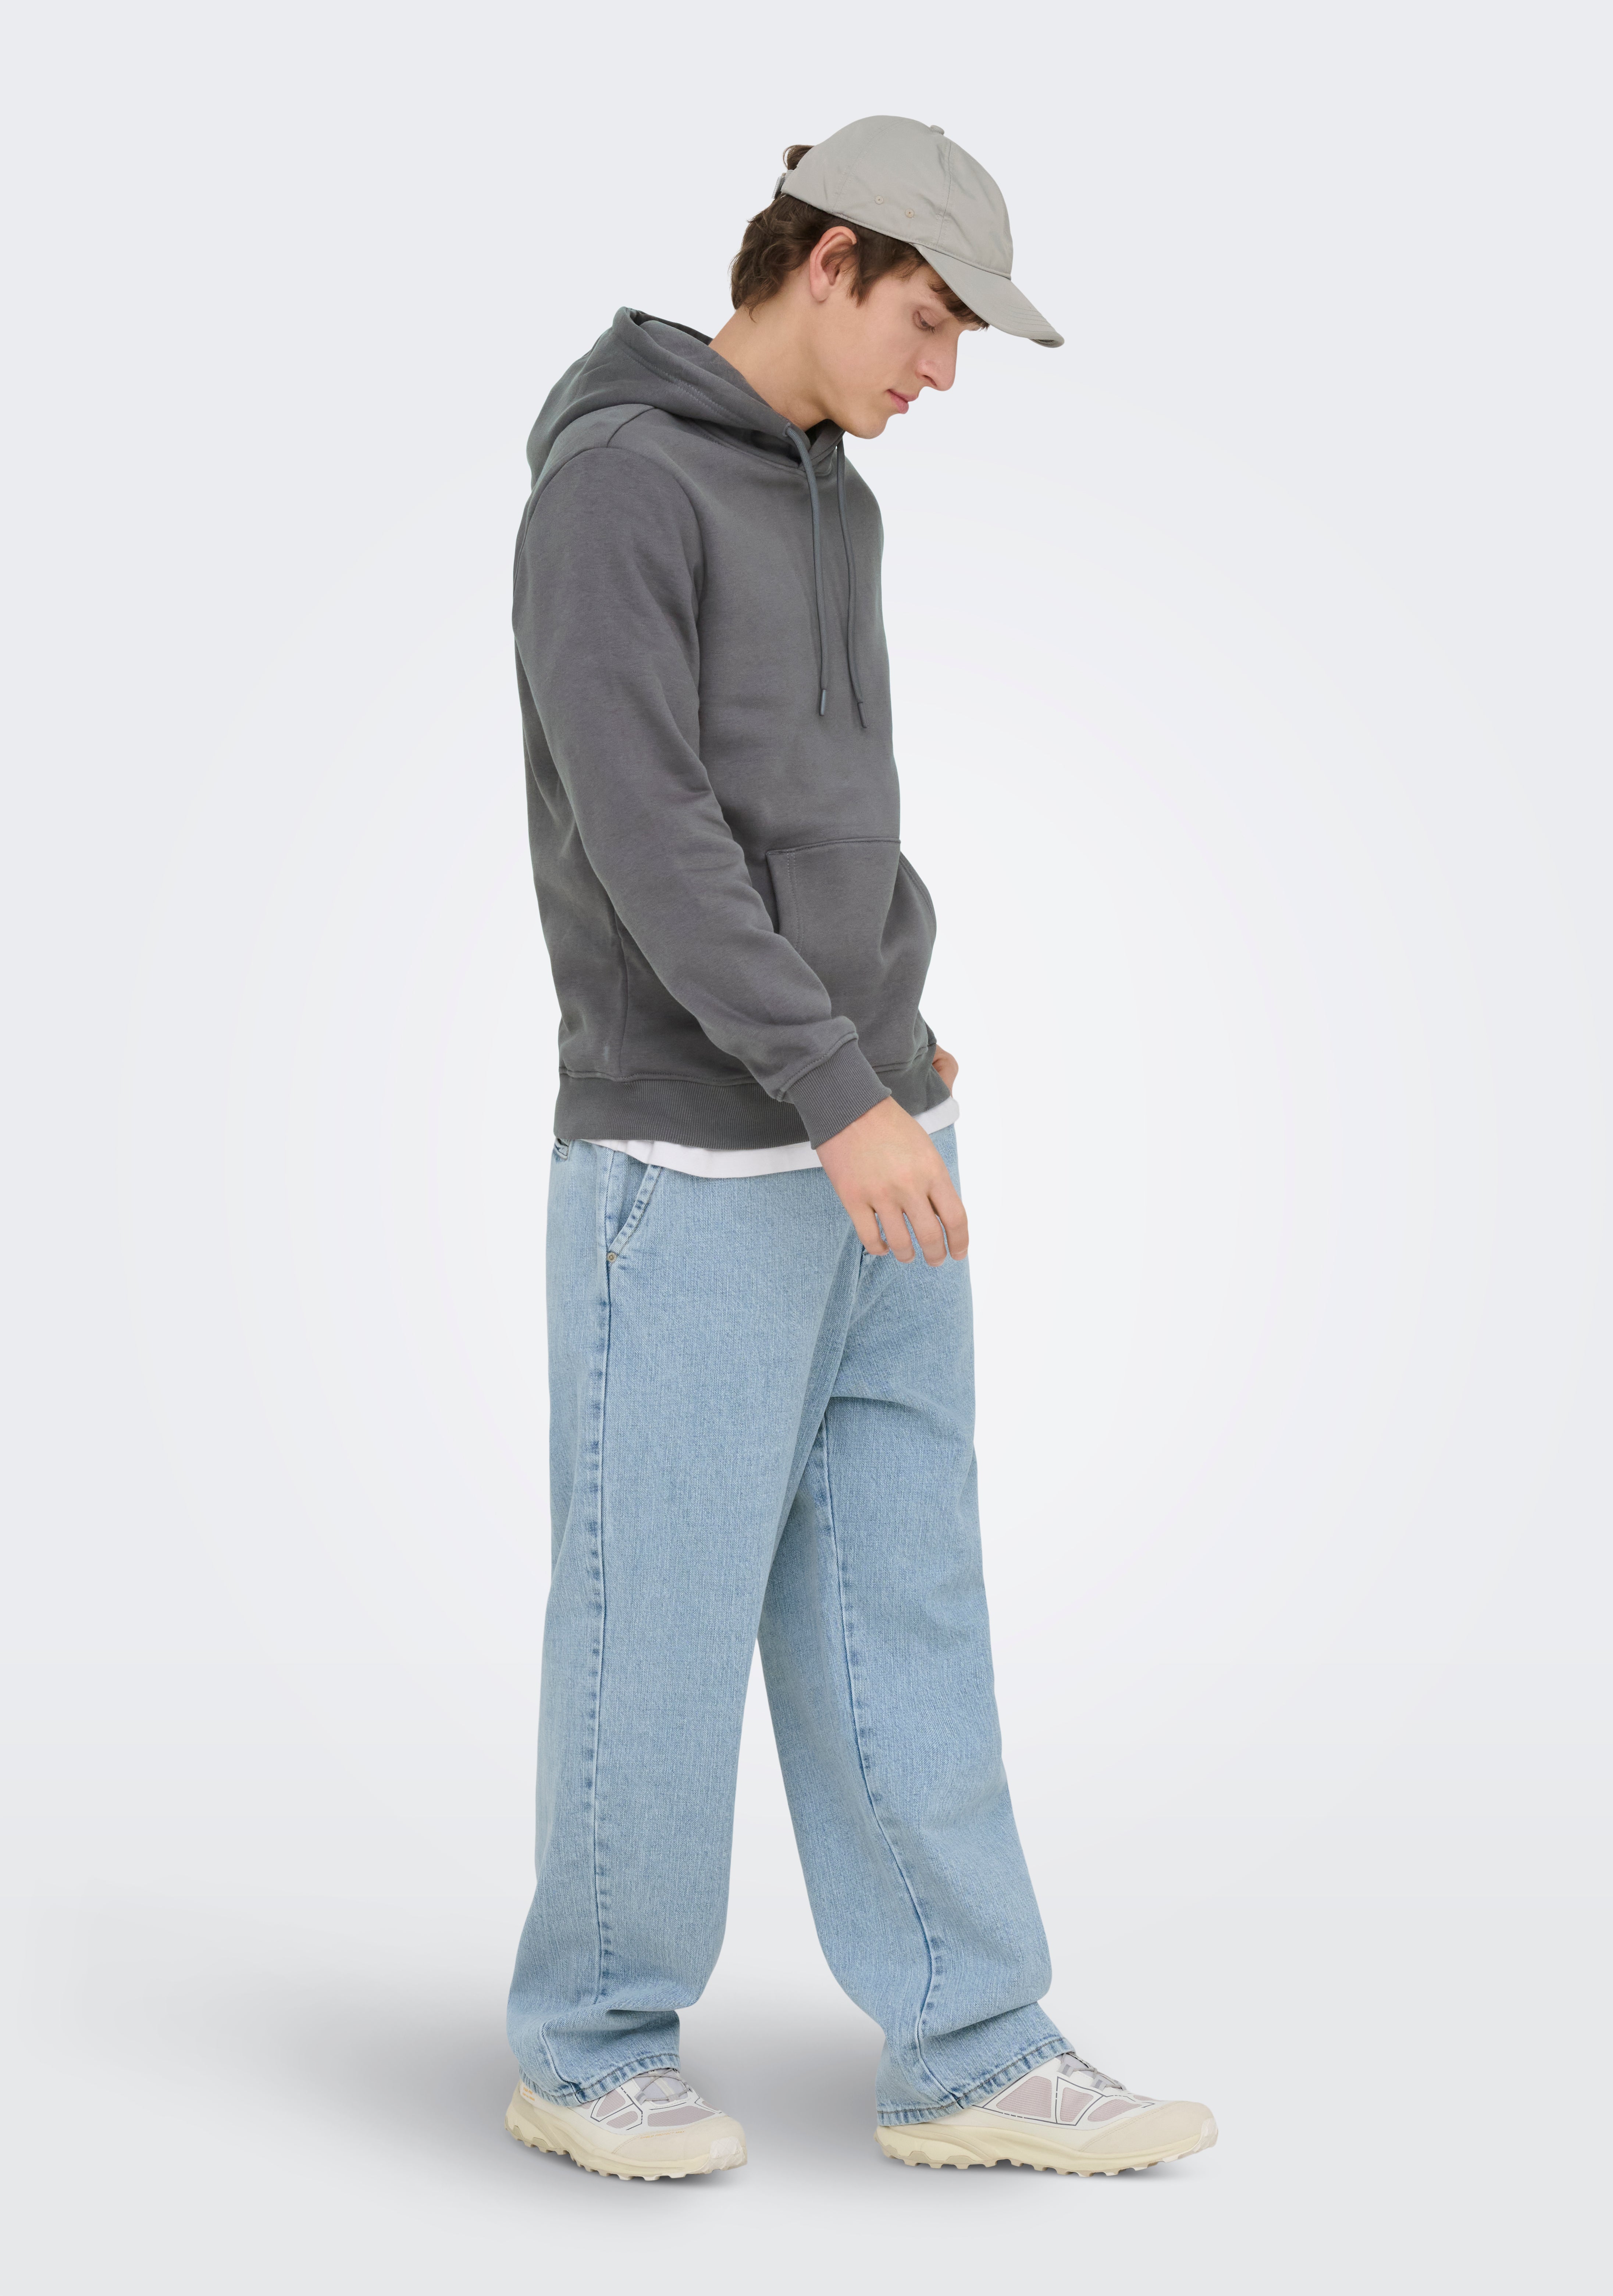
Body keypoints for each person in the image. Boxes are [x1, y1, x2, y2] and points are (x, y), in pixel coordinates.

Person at [503, 115, 1217, 2182]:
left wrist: (890, 1034)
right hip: (698, 1165)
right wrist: (833, 1081)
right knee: (655, 1618)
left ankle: (971, 2042)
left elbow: (838, 808)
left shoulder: (841, 499)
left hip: (877, 1133)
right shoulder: (618, 486)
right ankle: (589, 2044)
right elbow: (651, 840)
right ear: (824, 261)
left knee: (906, 1599)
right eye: (927, 317)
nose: (944, 370)